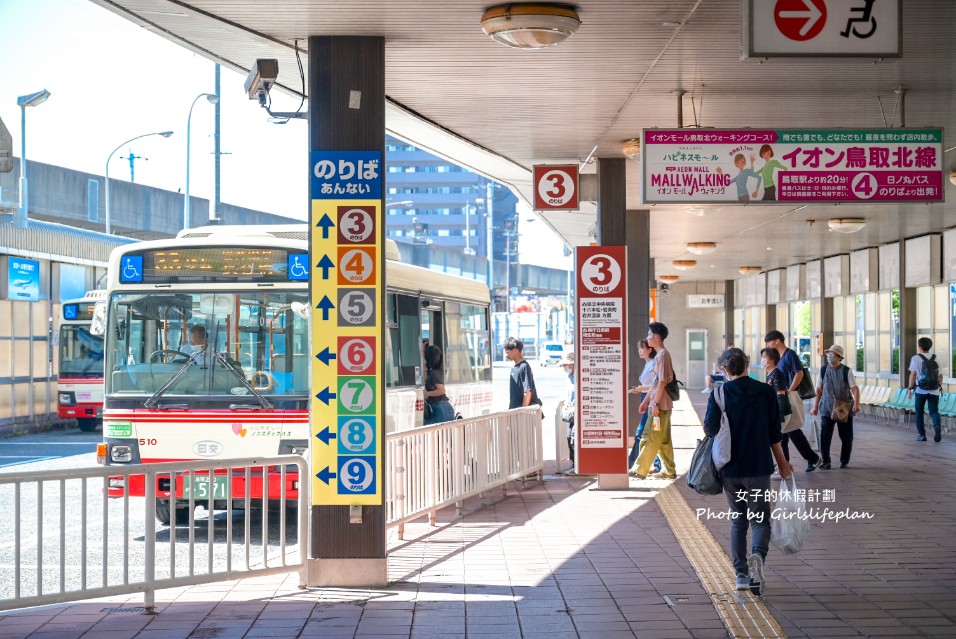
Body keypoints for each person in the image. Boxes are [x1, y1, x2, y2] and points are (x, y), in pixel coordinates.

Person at [705, 348, 793, 595]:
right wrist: (783, 462)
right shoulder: (765, 391)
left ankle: (741, 575)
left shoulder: (719, 393)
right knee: (760, 519)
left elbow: (710, 428)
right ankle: (757, 560)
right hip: (759, 467)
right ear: (747, 365)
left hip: (731, 468)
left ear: (724, 370)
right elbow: (775, 431)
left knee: (738, 520)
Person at [764, 330, 821, 472]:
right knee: (789, 433)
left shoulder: (790, 355)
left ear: (777, 341)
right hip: (783, 398)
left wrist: (789, 390)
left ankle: (788, 464)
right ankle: (799, 461)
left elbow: (799, 373)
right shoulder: (779, 357)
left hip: (788, 398)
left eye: (769, 342)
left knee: (787, 432)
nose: (768, 346)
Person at [634, 323, 678, 480]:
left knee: (649, 436)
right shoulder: (661, 356)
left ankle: (639, 469)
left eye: (649, 335)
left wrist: (654, 404)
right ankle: (669, 470)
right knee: (663, 440)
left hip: (661, 405)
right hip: (660, 403)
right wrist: (647, 401)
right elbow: (655, 383)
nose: (647, 337)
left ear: (656, 338)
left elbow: (662, 382)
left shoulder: (662, 356)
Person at [809, 345, 861, 469]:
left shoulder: (846, 371)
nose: (829, 355)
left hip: (843, 407)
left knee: (846, 436)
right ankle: (826, 461)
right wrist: (815, 406)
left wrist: (857, 404)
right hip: (827, 407)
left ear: (839, 357)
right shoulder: (823, 370)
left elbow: (855, 389)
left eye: (832, 353)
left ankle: (844, 460)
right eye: (828, 353)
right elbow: (819, 389)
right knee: (825, 436)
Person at [627, 339, 662, 474]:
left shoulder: (653, 364)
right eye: (639, 348)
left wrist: (642, 389)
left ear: (649, 350)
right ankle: (652, 464)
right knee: (650, 432)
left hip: (652, 400)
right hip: (647, 398)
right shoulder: (648, 363)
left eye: (642, 348)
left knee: (642, 432)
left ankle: (634, 464)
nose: (639, 351)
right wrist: (640, 389)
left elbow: (657, 384)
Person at [908, 337, 943, 442]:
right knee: (934, 411)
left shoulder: (915, 358)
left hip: (920, 390)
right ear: (930, 346)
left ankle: (922, 435)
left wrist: (909, 389)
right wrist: (939, 386)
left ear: (920, 347)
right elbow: (940, 375)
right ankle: (937, 425)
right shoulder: (937, 358)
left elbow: (913, 374)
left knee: (919, 412)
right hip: (934, 390)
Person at [504, 337, 541, 410]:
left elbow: (527, 392)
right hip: (514, 411)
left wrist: (522, 412)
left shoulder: (524, 367)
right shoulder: (514, 368)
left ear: (515, 350)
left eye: (507, 352)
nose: (506, 355)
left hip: (522, 414)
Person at [423, 345, 455, 424]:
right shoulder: (434, 371)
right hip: (441, 407)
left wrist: (427, 394)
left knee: (441, 435)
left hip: (441, 408)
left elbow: (441, 390)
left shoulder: (434, 373)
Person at [558, 353, 576, 473]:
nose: (564, 367)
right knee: (569, 437)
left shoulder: (578, 376)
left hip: (578, 412)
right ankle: (575, 464)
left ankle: (577, 465)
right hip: (571, 413)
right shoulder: (570, 377)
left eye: (565, 364)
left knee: (573, 438)